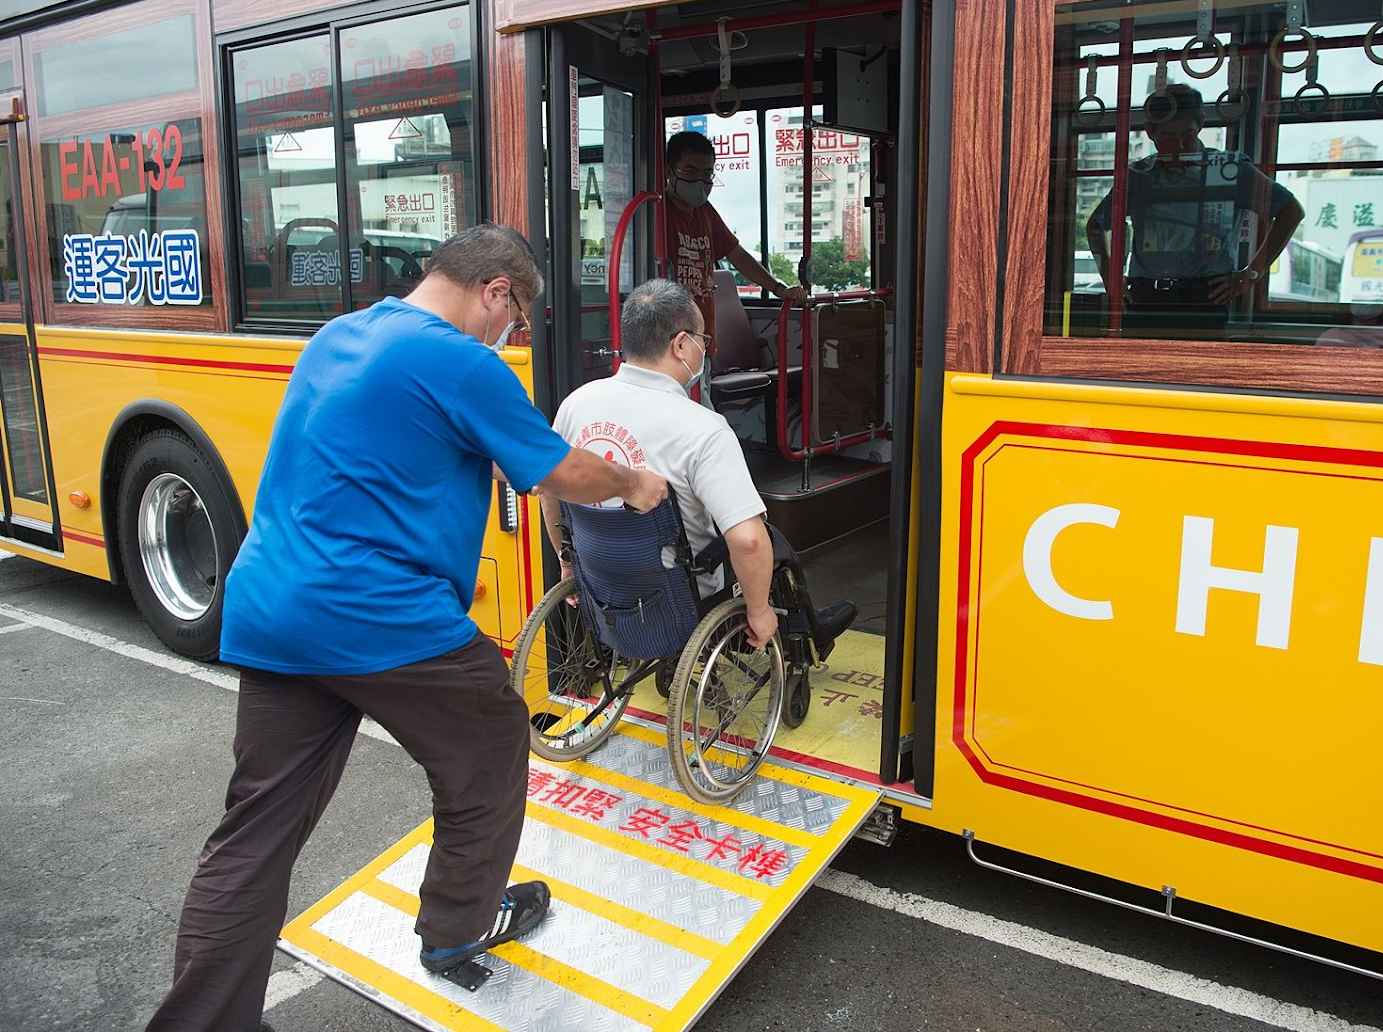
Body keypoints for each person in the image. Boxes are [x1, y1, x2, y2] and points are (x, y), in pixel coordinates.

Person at [145, 224, 669, 1032]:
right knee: (493, 741)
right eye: (517, 316)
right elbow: (562, 470)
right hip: (377, 614)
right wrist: (634, 484)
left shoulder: (343, 333)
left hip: (275, 604)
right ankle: (457, 928)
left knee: (256, 828)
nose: (511, 333)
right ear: (496, 290)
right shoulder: (462, 360)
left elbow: (387, 449)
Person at [541, 278, 854, 652]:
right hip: (680, 591)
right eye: (703, 340)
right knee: (768, 538)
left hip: (602, 576)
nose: (704, 349)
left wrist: (566, 561)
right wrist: (758, 611)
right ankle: (805, 634)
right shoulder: (702, 428)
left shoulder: (577, 404)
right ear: (681, 344)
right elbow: (747, 541)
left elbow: (550, 491)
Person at [1085, 83, 1304, 337]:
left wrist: (1251, 273)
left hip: (1204, 297)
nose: (1179, 147)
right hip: (1145, 297)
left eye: (1187, 136)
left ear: (1200, 125)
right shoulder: (1140, 176)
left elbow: (1290, 211)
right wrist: (1111, 278)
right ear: (1150, 133)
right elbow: (1096, 225)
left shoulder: (1227, 171)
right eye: (1168, 138)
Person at [663, 130, 804, 352]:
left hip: (701, 337)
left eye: (707, 173)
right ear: (668, 170)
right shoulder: (657, 214)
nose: (700, 181)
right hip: (666, 338)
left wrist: (778, 288)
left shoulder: (705, 213)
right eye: (690, 171)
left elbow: (737, 255)